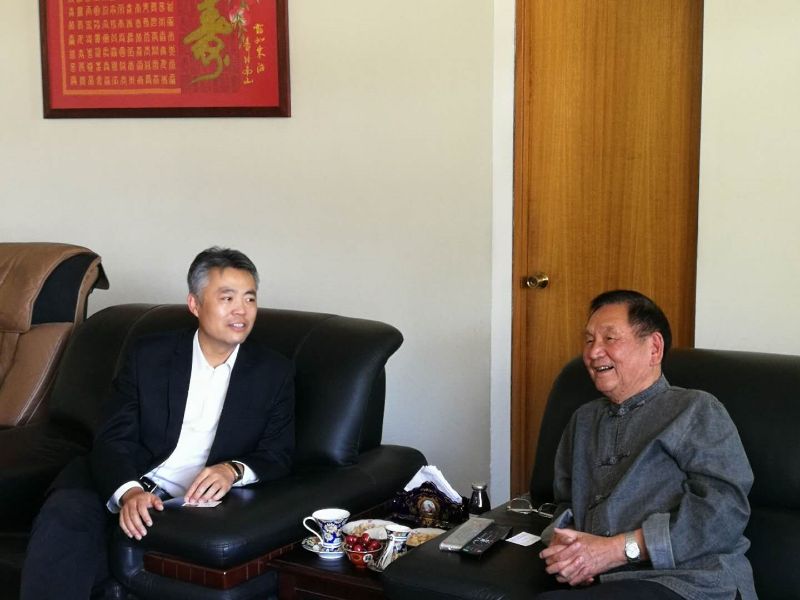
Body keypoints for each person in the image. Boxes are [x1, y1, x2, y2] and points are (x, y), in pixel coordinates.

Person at [21, 246, 295, 599]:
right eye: (227, 298)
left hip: (185, 505)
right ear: (195, 304)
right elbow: (113, 437)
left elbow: (278, 453)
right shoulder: (150, 355)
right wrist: (129, 491)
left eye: (250, 298)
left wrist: (232, 470)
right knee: (66, 519)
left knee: (90, 566)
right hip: (119, 479)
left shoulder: (273, 372)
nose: (241, 310)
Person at [536, 290, 756, 600]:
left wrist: (615, 550)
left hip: (690, 582)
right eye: (588, 340)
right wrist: (567, 547)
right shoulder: (583, 420)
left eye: (610, 338)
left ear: (654, 348)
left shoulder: (696, 409)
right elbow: (564, 502)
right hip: (607, 583)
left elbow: (724, 512)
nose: (594, 352)